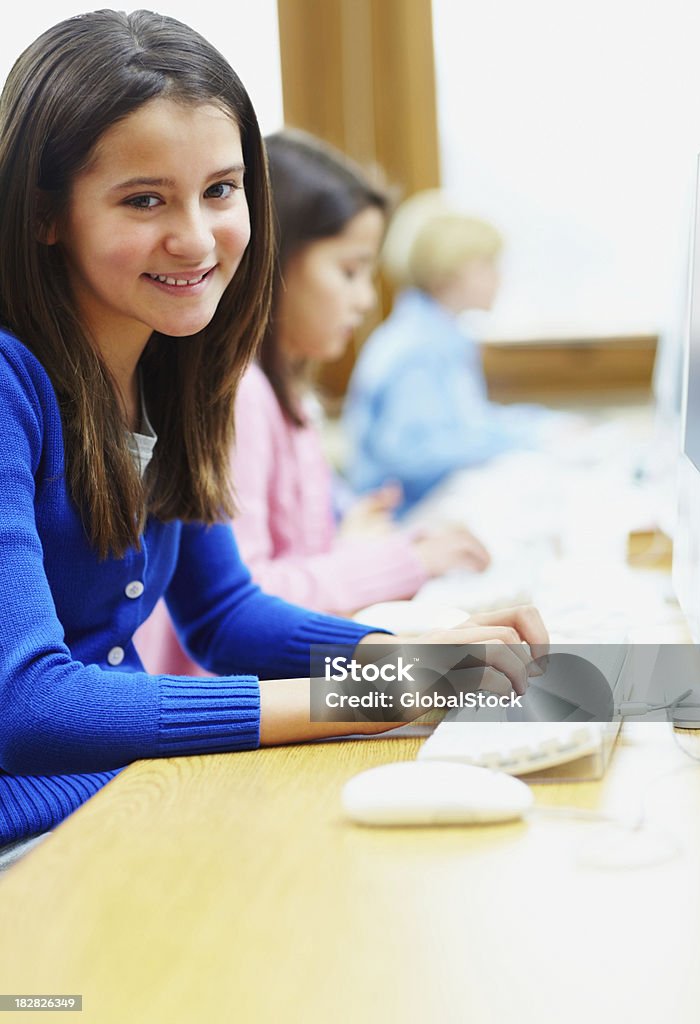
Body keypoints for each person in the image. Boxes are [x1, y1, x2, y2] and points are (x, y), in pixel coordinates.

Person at [0, 10, 547, 860]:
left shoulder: (176, 368)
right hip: (34, 844)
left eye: (220, 190)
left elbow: (223, 614)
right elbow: (27, 706)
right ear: (44, 216)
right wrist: (366, 691)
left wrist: (410, 652)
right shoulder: (8, 386)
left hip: (126, 803)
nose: (195, 237)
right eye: (145, 200)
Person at [136, 131, 491, 676]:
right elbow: (250, 597)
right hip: (227, 703)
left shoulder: (290, 398)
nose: (367, 298)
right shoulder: (239, 396)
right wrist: (406, 561)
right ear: (273, 264)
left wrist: (361, 536)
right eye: (349, 270)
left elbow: (307, 545)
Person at [342, 189, 557, 513]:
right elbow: (415, 452)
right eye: (488, 265)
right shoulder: (416, 351)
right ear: (449, 272)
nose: (500, 278)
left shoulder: (440, 337)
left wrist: (541, 426)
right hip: (407, 520)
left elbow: (465, 425)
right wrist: (531, 440)